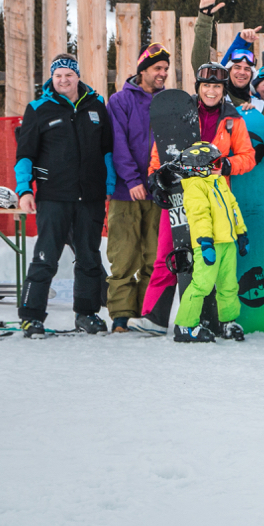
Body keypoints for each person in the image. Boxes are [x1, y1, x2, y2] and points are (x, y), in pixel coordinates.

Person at [135, 62, 257, 334]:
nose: (211, 91)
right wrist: (156, 178)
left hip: (215, 197)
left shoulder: (232, 119)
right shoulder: (180, 113)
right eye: (206, 86)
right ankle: (154, 317)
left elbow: (248, 156)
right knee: (170, 251)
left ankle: (214, 319)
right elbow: (161, 150)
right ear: (198, 88)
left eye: (216, 86)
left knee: (215, 258)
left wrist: (226, 166)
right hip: (181, 194)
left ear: (223, 90)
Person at [13, 55, 115, 338]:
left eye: (68, 75)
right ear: (52, 78)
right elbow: (25, 154)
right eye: (58, 76)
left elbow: (107, 149)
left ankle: (86, 313)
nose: (63, 80)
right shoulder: (38, 109)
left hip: (90, 197)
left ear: (77, 77)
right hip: (53, 196)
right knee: (45, 257)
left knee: (89, 257)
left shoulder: (96, 106)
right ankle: (31, 316)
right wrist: (24, 190)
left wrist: (108, 185)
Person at [104, 42, 170, 332]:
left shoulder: (170, 101)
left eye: (166, 69)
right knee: (123, 254)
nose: (163, 74)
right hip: (125, 192)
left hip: (158, 191)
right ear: (143, 70)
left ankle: (145, 314)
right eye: (158, 68)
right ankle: (120, 316)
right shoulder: (120, 100)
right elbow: (117, 143)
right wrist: (131, 180)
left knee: (154, 255)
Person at [171, 142, 249, 343]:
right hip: (209, 245)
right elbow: (200, 216)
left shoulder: (219, 181)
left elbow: (233, 207)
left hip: (227, 243)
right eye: (215, 163)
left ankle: (227, 322)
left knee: (229, 285)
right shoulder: (195, 187)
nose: (220, 166)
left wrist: (241, 233)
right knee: (202, 285)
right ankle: (185, 326)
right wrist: (205, 243)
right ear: (200, 167)